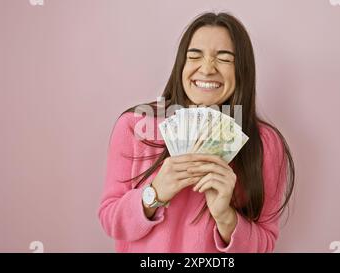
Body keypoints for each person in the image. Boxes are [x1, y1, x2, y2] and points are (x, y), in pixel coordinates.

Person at [98, 12, 295, 253]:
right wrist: (155, 193)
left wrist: (225, 217)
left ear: (242, 70)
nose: (207, 68)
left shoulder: (265, 144)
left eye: (224, 58)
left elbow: (265, 245)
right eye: (195, 55)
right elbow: (110, 220)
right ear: (182, 64)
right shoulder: (135, 126)